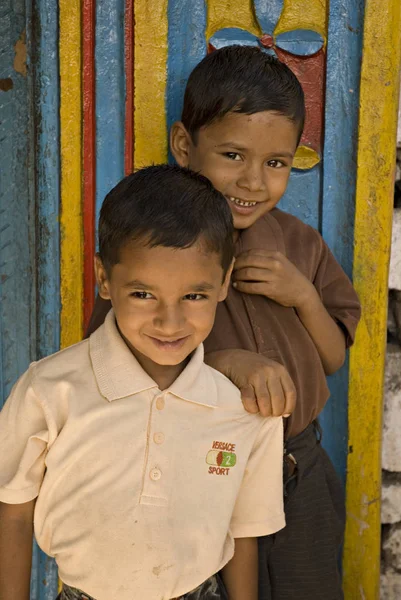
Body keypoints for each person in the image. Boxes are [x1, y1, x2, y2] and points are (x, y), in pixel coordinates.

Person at [86, 46, 361, 600]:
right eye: (233, 155)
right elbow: (105, 362)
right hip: (201, 472)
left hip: (297, 465)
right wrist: (221, 364)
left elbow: (333, 358)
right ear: (185, 145)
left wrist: (304, 295)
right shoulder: (153, 247)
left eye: (276, 163)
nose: (254, 182)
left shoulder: (300, 247)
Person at [0, 165, 285, 600]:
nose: (169, 322)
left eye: (193, 296)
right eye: (143, 294)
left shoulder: (243, 412)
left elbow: (243, 534)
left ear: (224, 283)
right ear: (104, 279)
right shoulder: (49, 390)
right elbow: (14, 511)